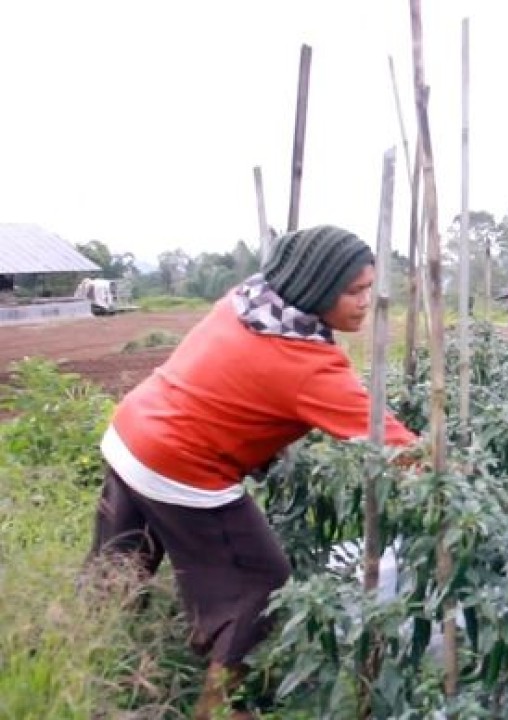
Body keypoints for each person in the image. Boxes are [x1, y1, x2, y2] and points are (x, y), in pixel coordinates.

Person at [83, 225, 418, 719]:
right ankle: (222, 708)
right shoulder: (308, 366)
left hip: (132, 434)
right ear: (315, 288)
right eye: (353, 290)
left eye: (369, 287)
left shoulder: (247, 302)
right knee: (260, 587)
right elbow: (391, 443)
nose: (367, 301)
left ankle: (83, 670)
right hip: (182, 466)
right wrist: (452, 474)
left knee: (117, 570)